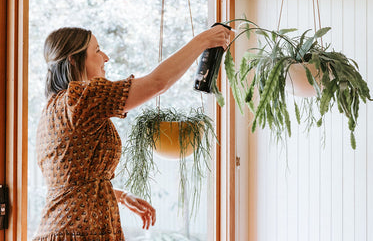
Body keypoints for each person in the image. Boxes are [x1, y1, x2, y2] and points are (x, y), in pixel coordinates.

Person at [33, 25, 230, 241]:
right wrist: (203, 41)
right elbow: (157, 83)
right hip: (77, 232)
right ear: (74, 59)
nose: (105, 58)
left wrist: (119, 195)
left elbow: (72, 183)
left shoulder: (53, 108)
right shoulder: (80, 99)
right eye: (97, 51)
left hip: (59, 228)